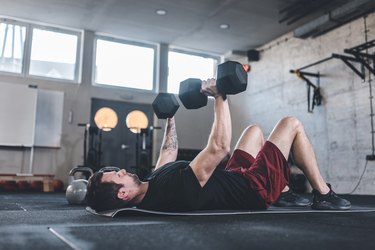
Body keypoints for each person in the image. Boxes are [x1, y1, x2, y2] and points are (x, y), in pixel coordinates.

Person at [86, 79, 351, 212]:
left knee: (254, 131)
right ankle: (323, 194)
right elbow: (219, 147)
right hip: (253, 189)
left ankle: (282, 191)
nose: (121, 170)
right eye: (117, 175)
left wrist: (170, 117)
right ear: (123, 194)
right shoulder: (172, 190)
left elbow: (168, 152)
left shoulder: (151, 183)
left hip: (235, 177)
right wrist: (220, 97)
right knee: (290, 123)